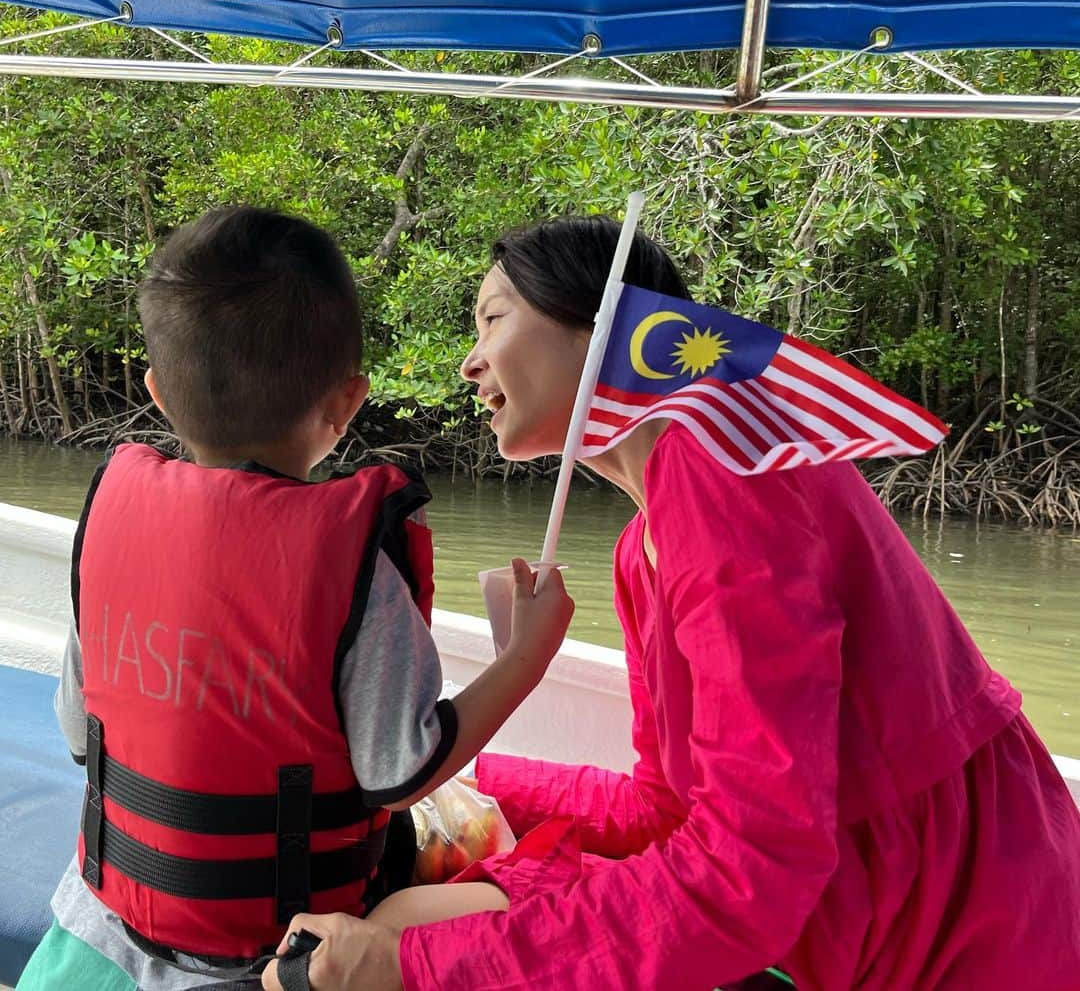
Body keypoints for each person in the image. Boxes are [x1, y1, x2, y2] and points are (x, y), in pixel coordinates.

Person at [263, 214, 1080, 991]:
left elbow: (750, 872)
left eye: (493, 320)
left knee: (416, 939)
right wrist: (472, 782)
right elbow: (667, 806)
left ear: (603, 331)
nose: (471, 363)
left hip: (977, 936)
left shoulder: (722, 473)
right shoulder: (641, 545)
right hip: (854, 930)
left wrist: (421, 968)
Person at [16, 206, 572, 991]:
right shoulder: (353, 567)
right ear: (346, 403)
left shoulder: (109, 519)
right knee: (505, 876)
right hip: (277, 956)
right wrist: (525, 657)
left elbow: (81, 733)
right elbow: (402, 773)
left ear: (157, 394)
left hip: (99, 922)